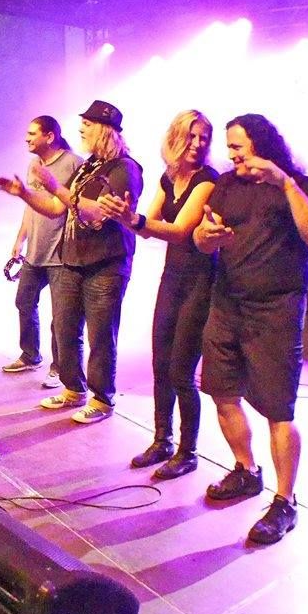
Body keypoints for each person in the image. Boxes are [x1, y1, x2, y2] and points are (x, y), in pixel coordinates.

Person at [193, 113, 308, 544]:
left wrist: (284, 183)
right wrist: (208, 236)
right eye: (229, 147)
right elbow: (200, 239)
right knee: (221, 392)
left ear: (262, 144)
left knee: (278, 410)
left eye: (238, 146)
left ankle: (285, 501)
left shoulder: (299, 184)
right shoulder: (226, 184)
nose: (231, 154)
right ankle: (246, 470)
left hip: (276, 311)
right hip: (227, 304)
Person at [0, 100, 143, 424]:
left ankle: (102, 399)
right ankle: (74, 389)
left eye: (87, 125)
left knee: (100, 336)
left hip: (106, 264)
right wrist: (23, 193)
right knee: (65, 328)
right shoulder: (88, 166)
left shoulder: (124, 169)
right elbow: (54, 208)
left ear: (104, 129)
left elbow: (98, 213)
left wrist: (55, 187)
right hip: (74, 259)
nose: (81, 130)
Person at [100, 110, 218, 479]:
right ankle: (162, 440)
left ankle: (188, 451)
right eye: (192, 136)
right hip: (173, 278)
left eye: (204, 137)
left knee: (181, 370)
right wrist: (127, 216)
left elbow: (180, 231)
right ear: (176, 138)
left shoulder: (207, 180)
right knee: (161, 365)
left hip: (200, 282)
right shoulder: (169, 178)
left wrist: (134, 220)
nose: (198, 144)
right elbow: (148, 224)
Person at [0, 116, 81, 390]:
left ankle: (59, 368)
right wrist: (20, 238)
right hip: (35, 251)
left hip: (59, 254)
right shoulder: (34, 164)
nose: (27, 138)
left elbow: (64, 206)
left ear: (50, 136)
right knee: (24, 301)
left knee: (61, 318)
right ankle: (31, 355)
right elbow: (30, 204)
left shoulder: (73, 163)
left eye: (32, 133)